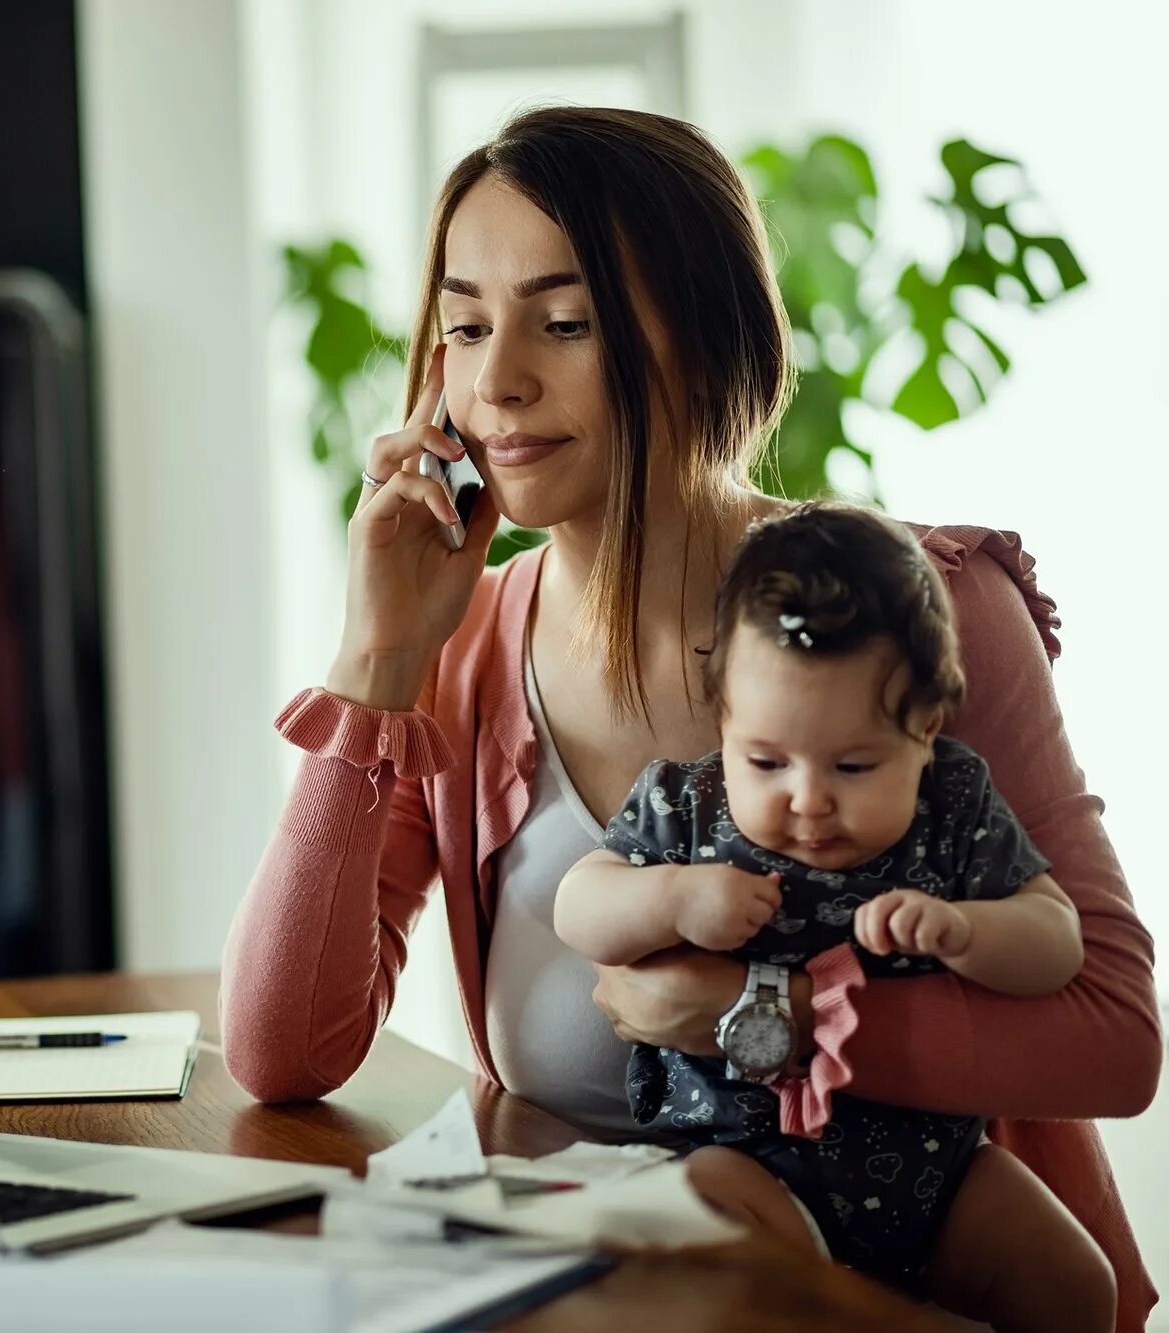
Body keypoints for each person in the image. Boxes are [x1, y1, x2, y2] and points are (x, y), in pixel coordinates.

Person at [217, 106, 1160, 1330]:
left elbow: (1111, 1040)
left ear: (704, 342)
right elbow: (279, 1053)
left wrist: (746, 1017)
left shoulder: (918, 611)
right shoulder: (462, 658)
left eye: (563, 324)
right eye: (461, 325)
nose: (495, 378)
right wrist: (376, 654)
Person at [555, 503, 1102, 1328]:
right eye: (767, 760)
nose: (808, 798)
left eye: (853, 764)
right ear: (724, 721)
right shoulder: (690, 809)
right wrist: (674, 896)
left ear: (927, 731)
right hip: (739, 1159)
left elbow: (1057, 942)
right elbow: (578, 906)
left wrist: (972, 931)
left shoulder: (950, 806)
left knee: (1075, 1284)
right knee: (729, 1254)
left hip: (939, 1177)